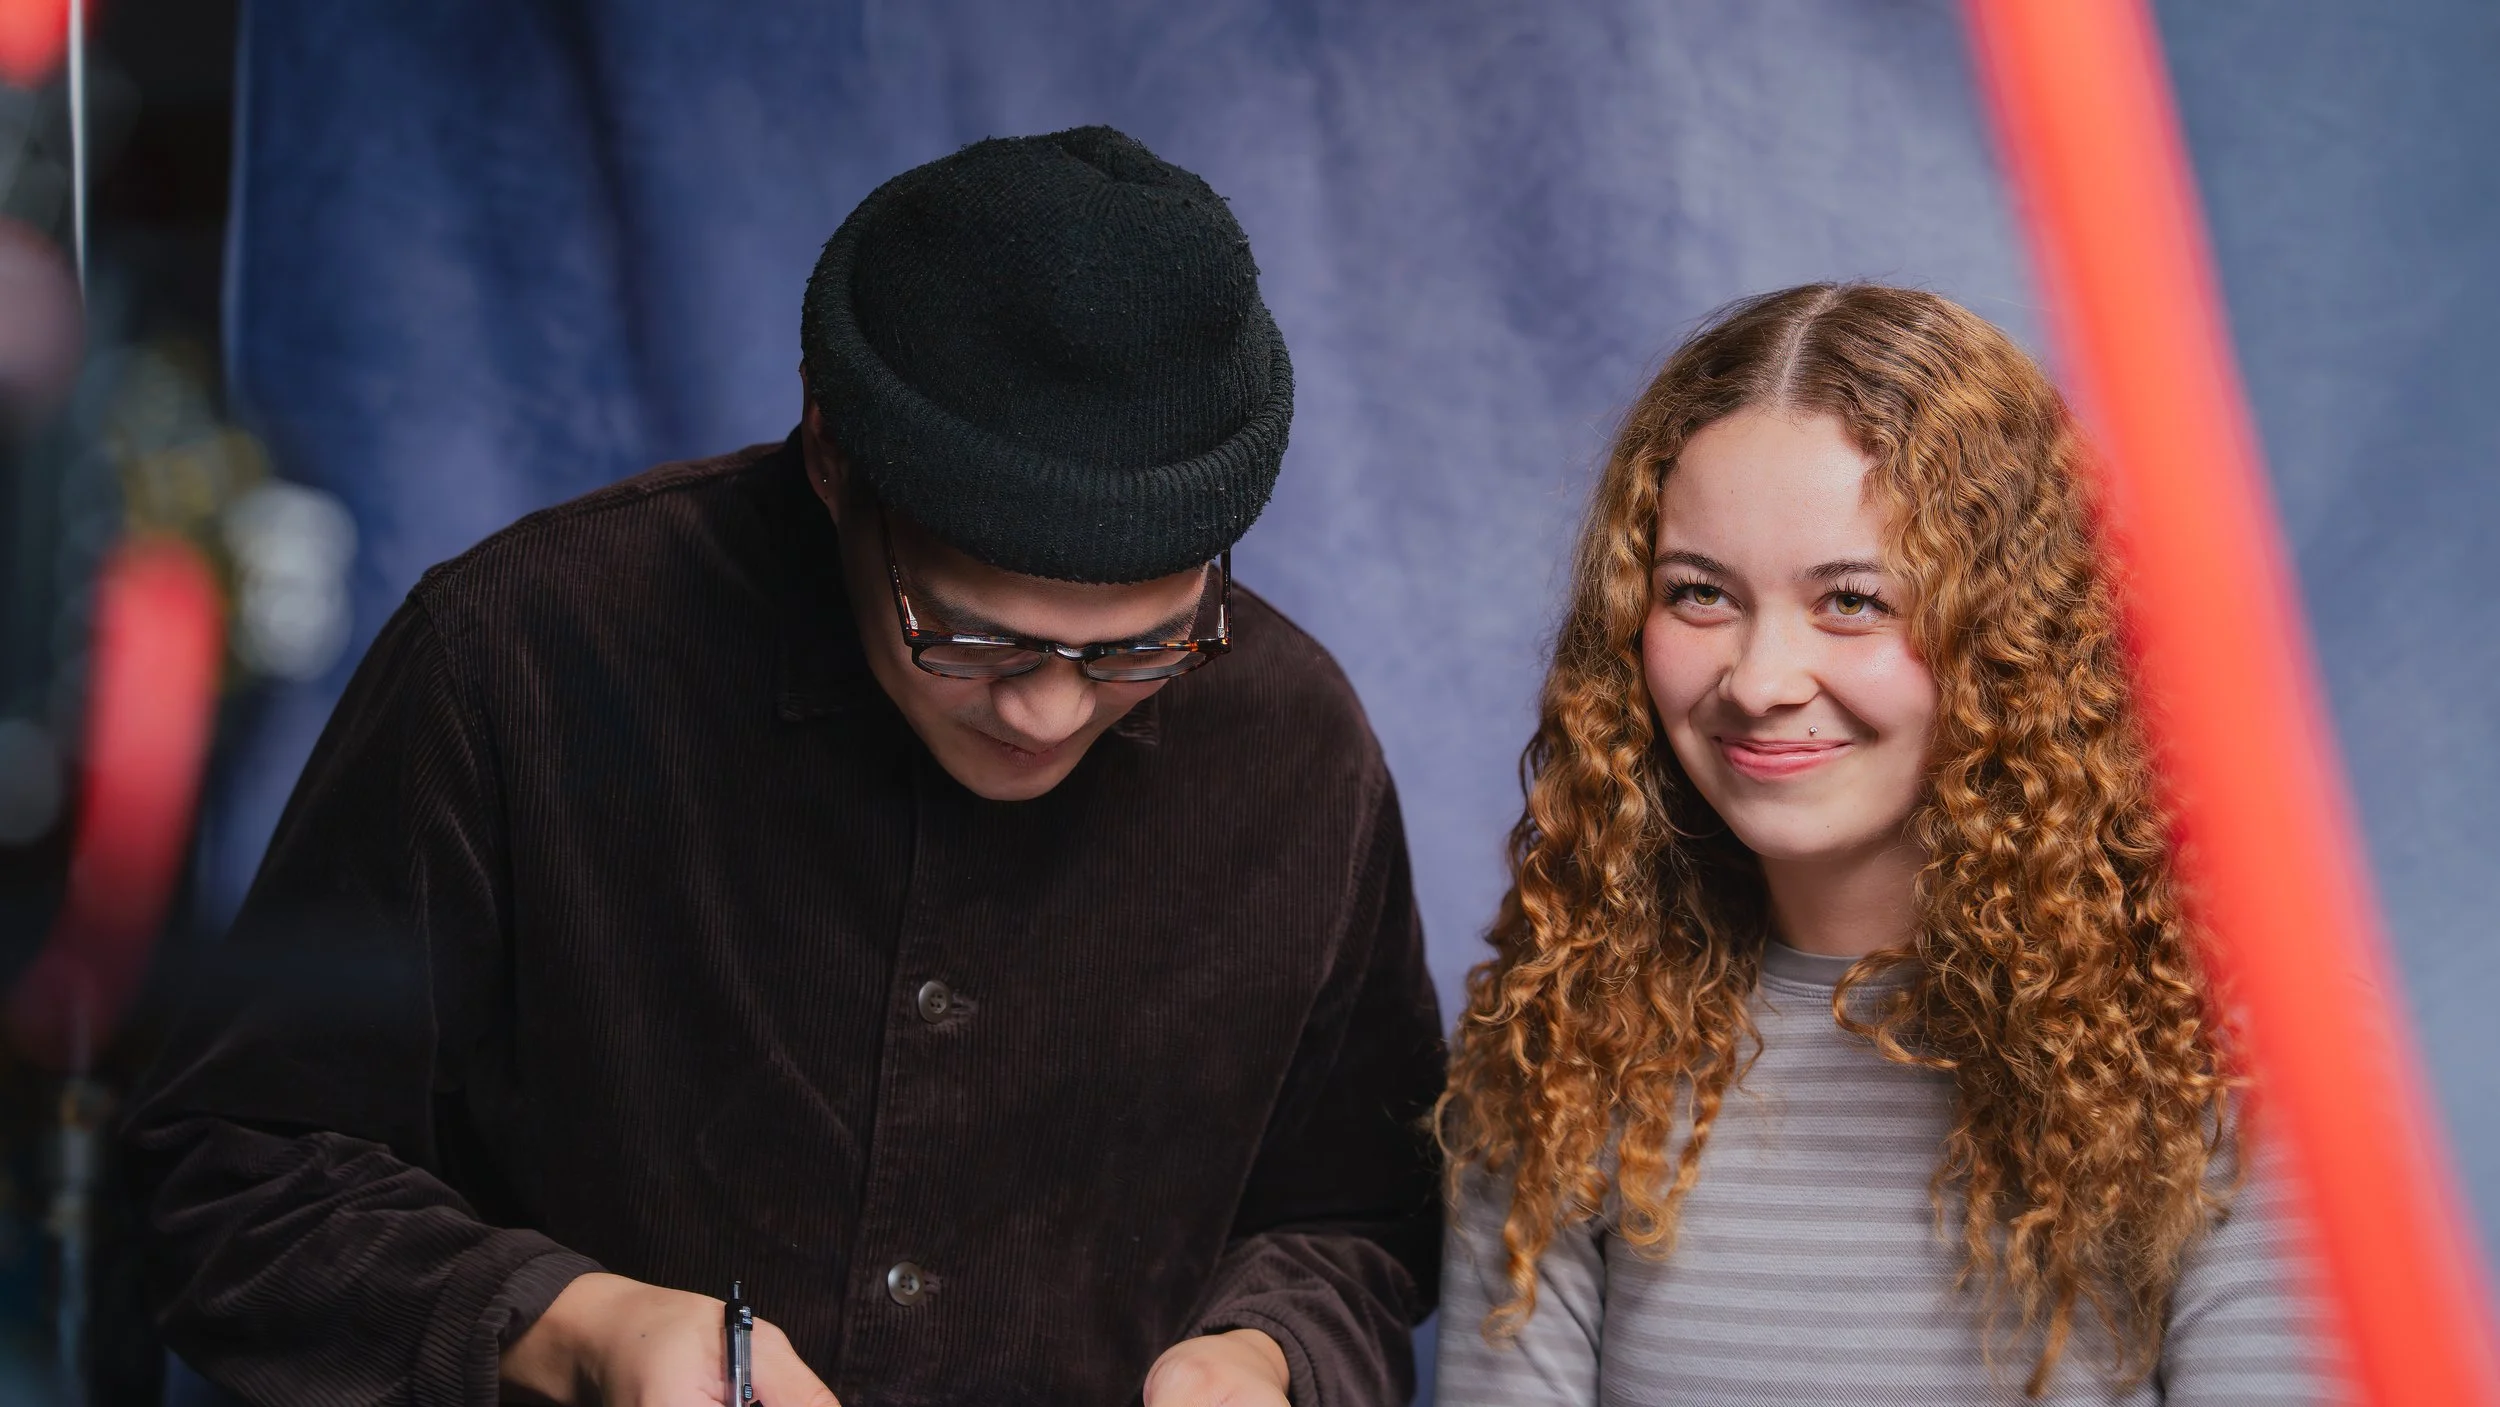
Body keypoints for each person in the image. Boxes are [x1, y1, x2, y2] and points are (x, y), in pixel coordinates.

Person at [125, 126, 1444, 1407]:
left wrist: (1265, 1354)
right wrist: (573, 1326)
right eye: (972, 633)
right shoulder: (514, 661)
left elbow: (1356, 1218)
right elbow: (234, 1171)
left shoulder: (1299, 744)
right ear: (831, 453)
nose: (1047, 711)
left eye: (1141, 647)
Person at [1432, 284, 2325, 1404]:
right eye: (1698, 593)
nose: (1758, 681)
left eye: (1852, 601)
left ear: (2012, 639)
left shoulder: (2209, 1065)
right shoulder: (1558, 1044)